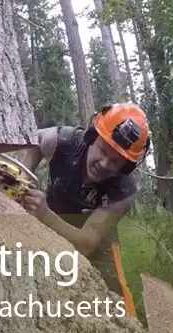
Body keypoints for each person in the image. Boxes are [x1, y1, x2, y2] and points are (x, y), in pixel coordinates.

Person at [19, 103, 151, 319]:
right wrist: (24, 177)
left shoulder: (124, 190)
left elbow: (88, 243)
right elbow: (36, 140)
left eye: (115, 161)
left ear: (125, 166)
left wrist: (44, 215)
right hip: (52, 219)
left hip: (97, 241)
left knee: (117, 300)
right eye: (103, 150)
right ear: (92, 137)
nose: (104, 163)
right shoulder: (64, 140)